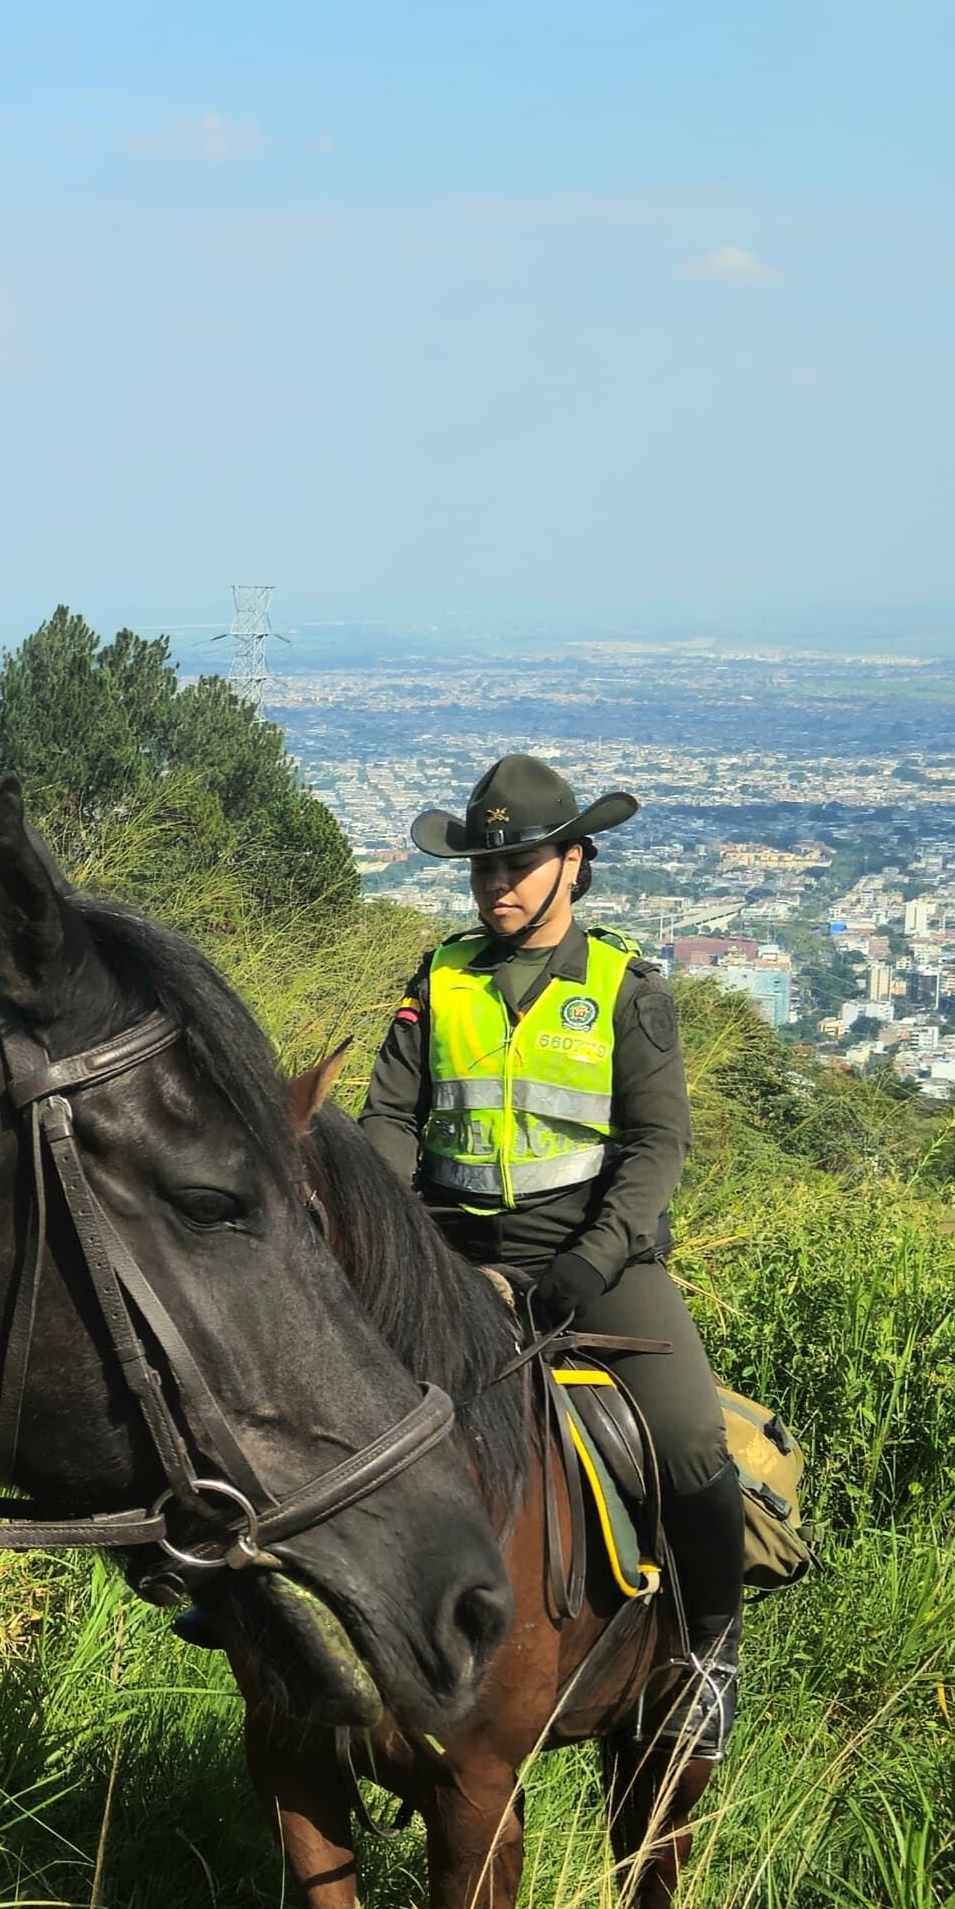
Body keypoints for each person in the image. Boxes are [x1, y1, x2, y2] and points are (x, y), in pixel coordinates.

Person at [356, 754, 747, 1759]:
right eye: (483, 869)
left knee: (693, 1442)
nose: (496, 886)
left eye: (518, 865)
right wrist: (377, 1241)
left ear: (573, 863)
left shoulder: (626, 986)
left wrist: (588, 1261)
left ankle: (708, 1655)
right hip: (443, 1246)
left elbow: (656, 1144)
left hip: (592, 1253)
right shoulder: (436, 977)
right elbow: (389, 1125)